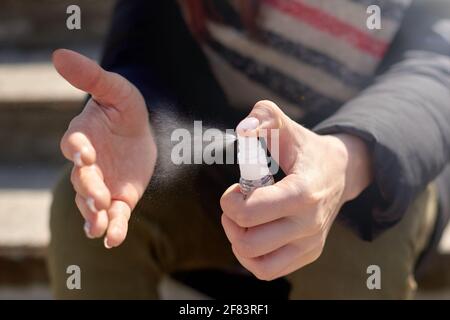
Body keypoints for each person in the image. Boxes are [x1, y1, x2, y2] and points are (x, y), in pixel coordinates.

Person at [48, 0, 450, 299]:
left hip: (362, 172)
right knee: (90, 207)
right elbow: (146, 38)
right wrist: (137, 110)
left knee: (361, 233)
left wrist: (348, 160)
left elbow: (437, 67)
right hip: (207, 176)